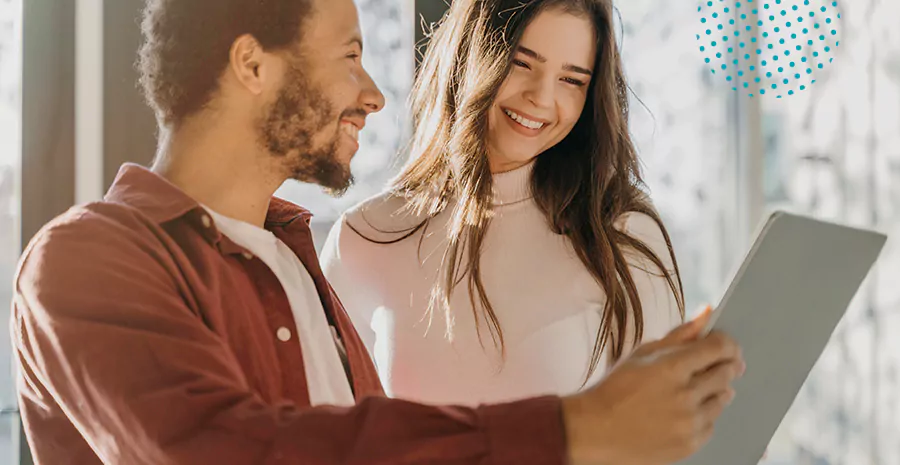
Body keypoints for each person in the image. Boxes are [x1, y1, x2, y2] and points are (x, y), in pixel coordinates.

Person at [10, 0, 744, 464]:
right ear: (251, 64)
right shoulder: (87, 258)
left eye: (574, 79)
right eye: (351, 56)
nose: (375, 92)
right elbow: (227, 449)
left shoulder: (297, 267)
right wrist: (570, 432)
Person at [321, 0, 683, 405]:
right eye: (522, 63)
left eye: (572, 80)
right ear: (472, 52)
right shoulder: (364, 238)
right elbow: (327, 435)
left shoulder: (622, 238)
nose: (541, 99)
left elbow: (663, 439)